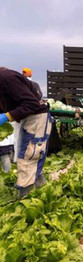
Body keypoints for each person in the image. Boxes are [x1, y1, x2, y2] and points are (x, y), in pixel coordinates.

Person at [0, 67, 52, 198]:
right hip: (25, 119)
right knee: (28, 155)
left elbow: (31, 104)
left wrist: (6, 116)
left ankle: (25, 200)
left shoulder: (7, 78)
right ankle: (43, 192)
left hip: (36, 118)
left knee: (29, 157)